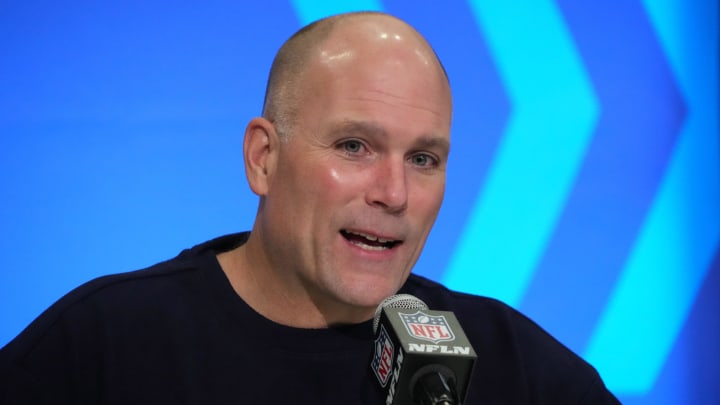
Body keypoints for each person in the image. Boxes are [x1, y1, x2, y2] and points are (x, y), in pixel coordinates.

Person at [0, 11, 620, 404]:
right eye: (355, 146)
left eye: (423, 159)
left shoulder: (512, 365)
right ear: (263, 158)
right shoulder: (99, 346)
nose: (393, 192)